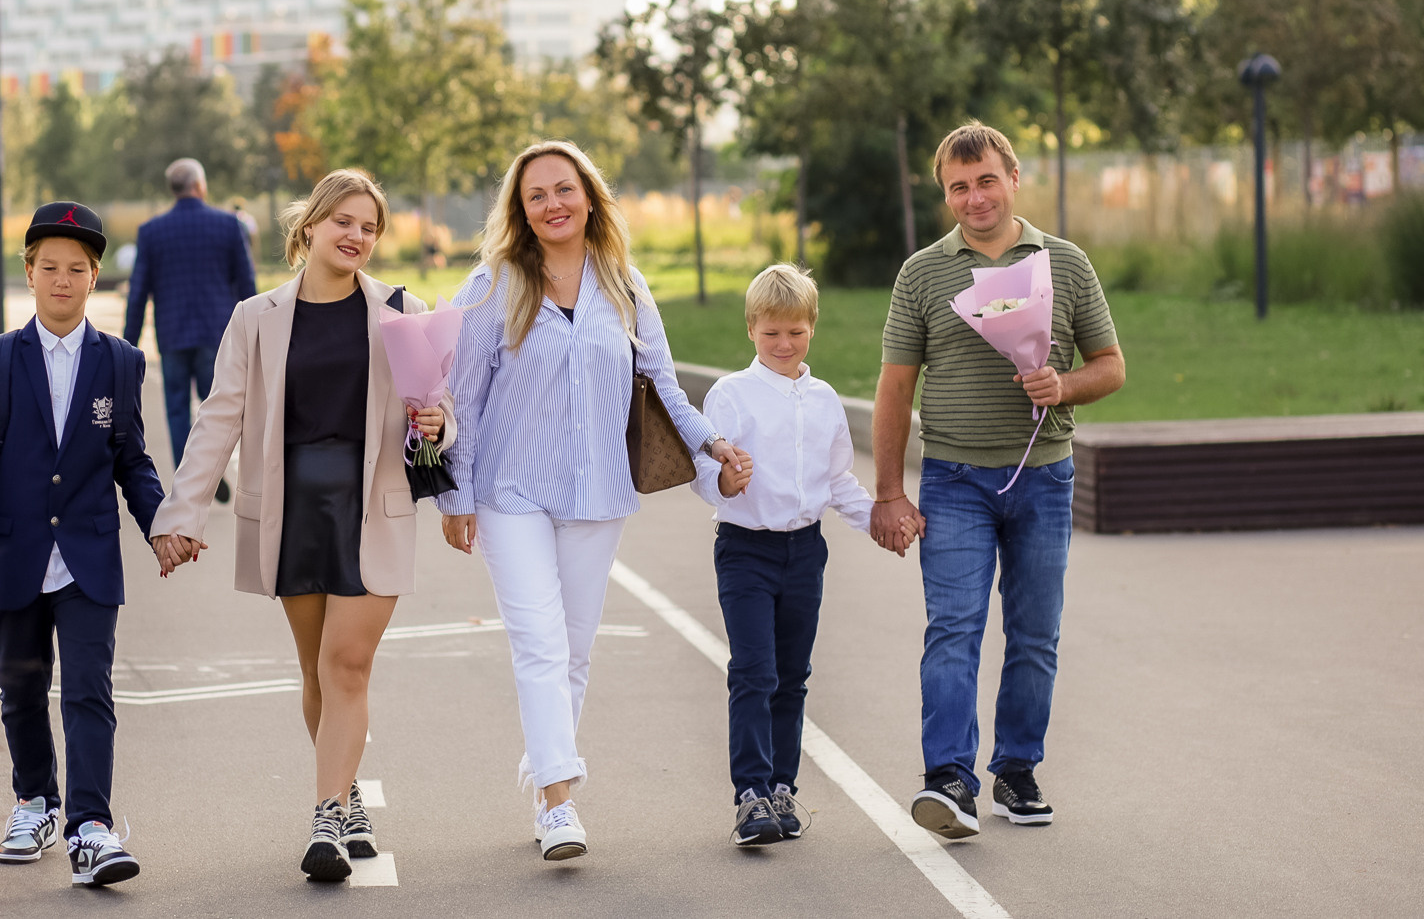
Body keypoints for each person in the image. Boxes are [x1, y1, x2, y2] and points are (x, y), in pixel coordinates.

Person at [439, 140, 752, 863]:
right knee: (540, 643)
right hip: (510, 490)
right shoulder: (490, 286)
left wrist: (713, 446)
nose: (552, 204)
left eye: (564, 189)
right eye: (536, 195)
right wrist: (455, 493)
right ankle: (559, 800)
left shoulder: (625, 284)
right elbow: (459, 396)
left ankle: (547, 762)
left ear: (589, 197)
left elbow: (665, 387)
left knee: (575, 651)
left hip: (599, 490)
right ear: (520, 210)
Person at [146, 170, 451, 883]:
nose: (357, 236)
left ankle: (324, 818)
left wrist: (439, 421)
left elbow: (439, 411)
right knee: (317, 669)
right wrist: (181, 512)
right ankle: (345, 796)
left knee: (348, 662)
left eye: (370, 227)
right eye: (344, 221)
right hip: (291, 512)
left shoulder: (402, 311)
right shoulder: (256, 317)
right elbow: (220, 415)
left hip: (373, 507)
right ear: (309, 226)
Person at [873, 122, 1125, 839]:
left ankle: (1016, 768)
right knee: (953, 627)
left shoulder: (1065, 263)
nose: (974, 196)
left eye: (986, 179)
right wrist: (890, 492)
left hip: (1044, 480)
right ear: (945, 193)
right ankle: (948, 777)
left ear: (1013, 177)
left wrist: (1064, 383)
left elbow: (1111, 365)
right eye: (959, 185)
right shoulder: (922, 272)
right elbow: (894, 388)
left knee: (1035, 632)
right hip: (953, 481)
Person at [0, 201, 162, 887]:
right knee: (20, 686)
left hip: (90, 557)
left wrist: (164, 525)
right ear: (30, 274)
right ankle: (35, 800)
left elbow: (134, 461)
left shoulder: (121, 362)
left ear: (94, 276)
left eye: (76, 268)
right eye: (49, 267)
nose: (61, 279)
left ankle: (90, 828)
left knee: (89, 689)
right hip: (13, 556)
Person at [691, 263, 876, 848]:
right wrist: (725, 481)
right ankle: (749, 795)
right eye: (771, 333)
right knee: (755, 671)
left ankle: (780, 788)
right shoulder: (731, 394)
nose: (783, 344)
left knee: (792, 677)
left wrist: (879, 519)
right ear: (751, 329)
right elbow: (702, 470)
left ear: (811, 330)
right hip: (745, 550)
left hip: (805, 553)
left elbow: (838, 478)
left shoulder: (823, 401)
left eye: (795, 332)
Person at [124, 158, 258, 498]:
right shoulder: (228, 225)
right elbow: (247, 284)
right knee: (219, 408)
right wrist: (259, 334)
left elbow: (138, 293)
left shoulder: (151, 232)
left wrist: (128, 347)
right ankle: (216, 470)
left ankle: (193, 481)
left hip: (172, 335)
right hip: (218, 335)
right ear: (200, 185)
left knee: (177, 409)